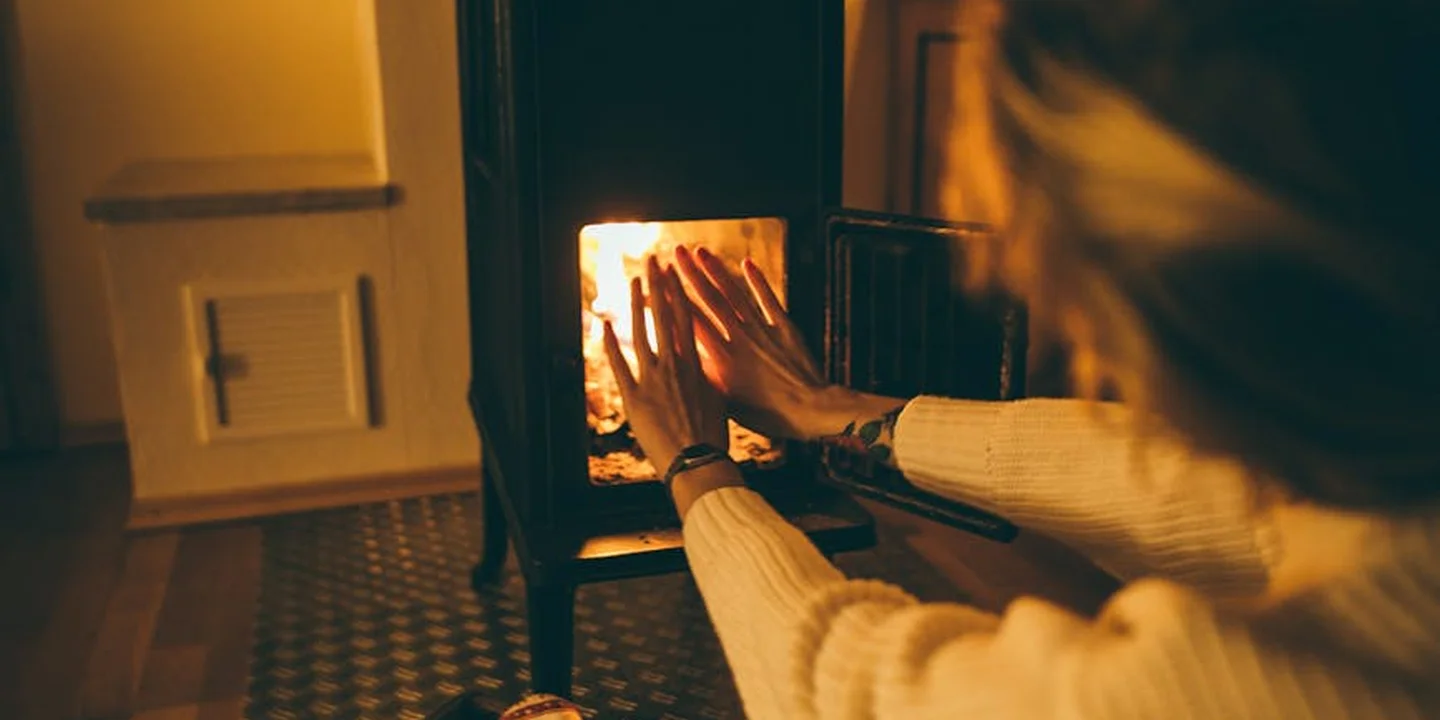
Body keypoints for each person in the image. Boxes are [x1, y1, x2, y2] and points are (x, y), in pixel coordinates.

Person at [601, 0, 1440, 717]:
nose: (1087, 348)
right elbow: (1209, 498)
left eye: (1074, 289)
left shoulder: (1237, 687)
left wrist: (696, 464)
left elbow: (848, 685)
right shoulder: (1393, 498)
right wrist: (836, 411)